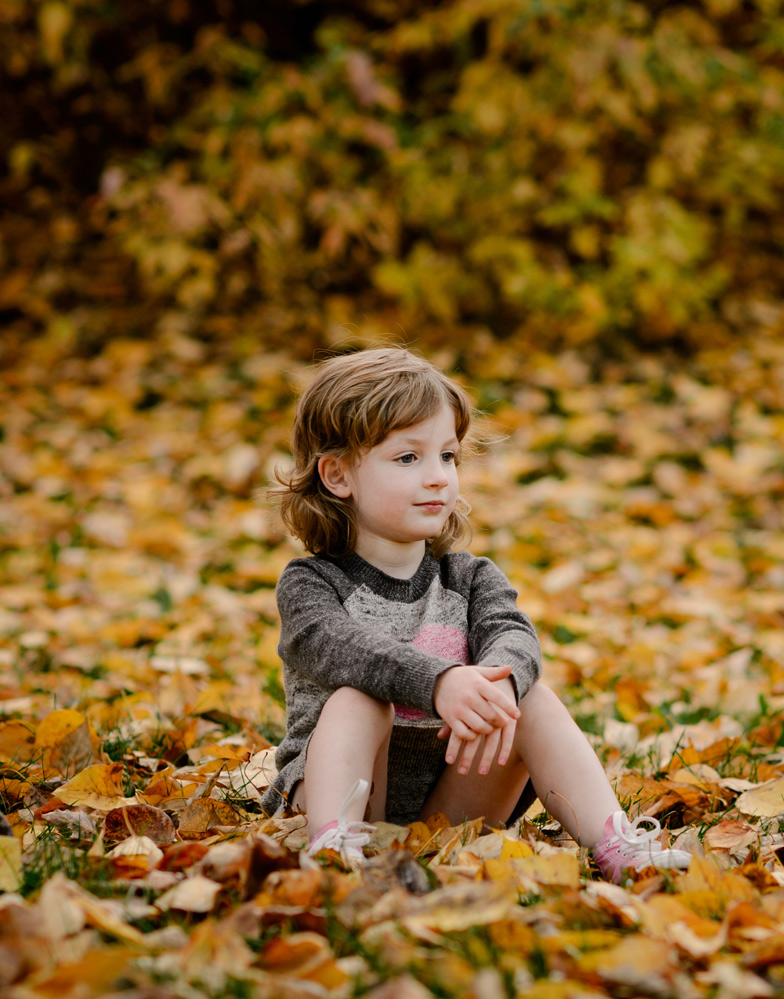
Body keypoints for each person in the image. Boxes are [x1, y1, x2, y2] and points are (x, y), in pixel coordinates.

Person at [258, 346, 691, 884]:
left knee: (527, 694)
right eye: (408, 458)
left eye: (448, 456)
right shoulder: (311, 585)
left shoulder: (468, 576)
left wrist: (496, 692)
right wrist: (440, 683)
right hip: (339, 797)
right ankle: (334, 851)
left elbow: (516, 637)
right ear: (338, 475)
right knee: (359, 698)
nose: (439, 477)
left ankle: (614, 843)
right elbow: (344, 649)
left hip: (449, 808)